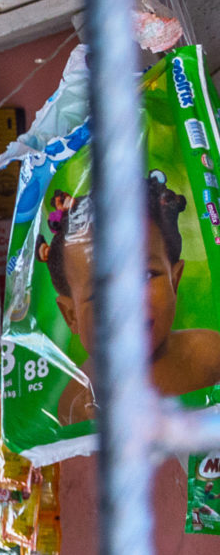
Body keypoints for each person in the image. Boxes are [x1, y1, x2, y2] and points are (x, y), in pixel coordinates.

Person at [43, 177, 220, 424]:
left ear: (175, 280)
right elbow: (74, 459)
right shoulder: (77, 401)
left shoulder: (208, 353)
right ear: (71, 315)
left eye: (146, 275)